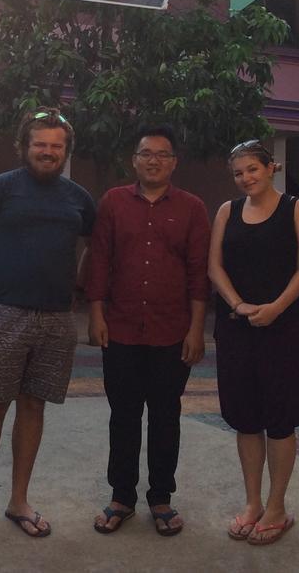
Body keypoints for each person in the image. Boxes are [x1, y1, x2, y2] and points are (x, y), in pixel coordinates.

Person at [0, 107, 96, 546]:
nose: (48, 152)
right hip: (4, 313)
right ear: (25, 147)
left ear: (66, 151)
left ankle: (18, 501)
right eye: (40, 145)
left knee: (34, 407)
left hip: (56, 319)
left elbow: (95, 244)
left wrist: (80, 285)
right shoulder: (0, 189)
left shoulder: (78, 198)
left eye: (56, 146)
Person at [85, 125, 210, 537]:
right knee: (123, 415)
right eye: (145, 153)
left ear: (174, 163)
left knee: (165, 416)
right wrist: (96, 314)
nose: (153, 160)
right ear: (134, 160)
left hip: (172, 332)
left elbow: (197, 272)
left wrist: (196, 329)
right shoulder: (114, 203)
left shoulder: (192, 208)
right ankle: (122, 495)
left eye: (162, 154)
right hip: (119, 328)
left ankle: (161, 497)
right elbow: (100, 261)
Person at [207, 139, 299, 548]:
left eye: (252, 169)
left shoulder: (297, 208)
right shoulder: (226, 212)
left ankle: (276, 507)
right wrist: (236, 303)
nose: (245, 179)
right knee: (246, 418)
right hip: (237, 327)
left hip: (284, 328)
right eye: (238, 173)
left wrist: (274, 308)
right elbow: (214, 265)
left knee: (280, 419)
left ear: (272, 167)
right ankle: (252, 503)